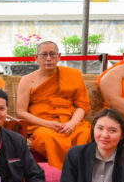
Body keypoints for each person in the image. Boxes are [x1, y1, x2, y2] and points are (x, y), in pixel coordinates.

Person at [16, 40, 92, 169]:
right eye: (44, 54)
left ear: (59, 56)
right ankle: (58, 174)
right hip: (42, 124)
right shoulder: (27, 80)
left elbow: (82, 106)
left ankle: (80, 173)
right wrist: (47, 124)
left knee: (84, 133)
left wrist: (72, 124)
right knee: (47, 137)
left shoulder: (73, 75)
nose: (48, 58)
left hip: (70, 121)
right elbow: (21, 112)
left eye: (52, 54)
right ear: (36, 58)